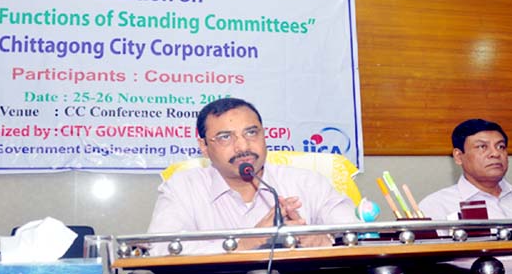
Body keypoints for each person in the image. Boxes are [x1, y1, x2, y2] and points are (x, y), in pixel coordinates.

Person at [146, 98, 359, 255]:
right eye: (225, 137)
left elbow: (357, 233)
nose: (242, 146)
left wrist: (321, 240)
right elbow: (160, 249)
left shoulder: (308, 182)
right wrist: (246, 242)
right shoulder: (183, 188)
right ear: (203, 146)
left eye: (251, 133)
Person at [418, 118, 512, 222]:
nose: (495, 153)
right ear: (458, 156)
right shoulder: (436, 206)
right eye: (482, 147)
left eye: (501, 146)